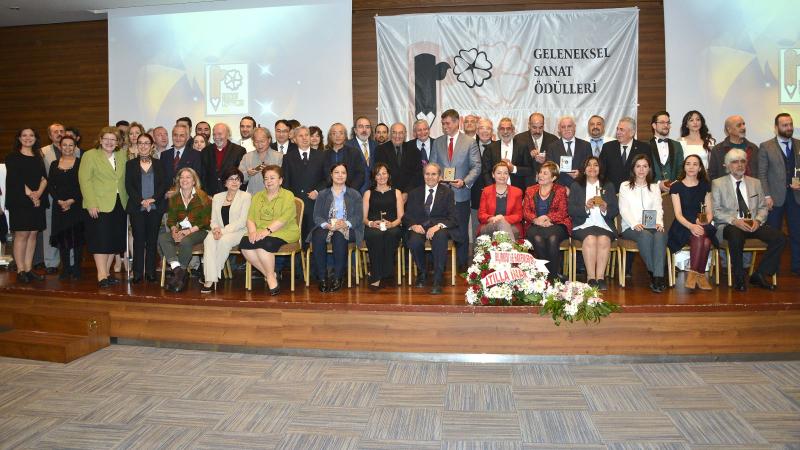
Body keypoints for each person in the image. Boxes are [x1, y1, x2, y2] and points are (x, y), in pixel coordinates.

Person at [712, 149, 786, 291]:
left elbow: (763, 207)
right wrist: (735, 221)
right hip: (730, 225)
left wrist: (758, 221)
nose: (740, 165)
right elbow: (716, 211)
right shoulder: (718, 183)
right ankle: (739, 277)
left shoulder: (755, 183)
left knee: (780, 238)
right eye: (735, 162)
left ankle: (760, 274)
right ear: (728, 165)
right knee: (735, 235)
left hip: (752, 223)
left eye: (743, 161)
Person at [78, 126, 128, 288]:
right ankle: (101, 275)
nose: (109, 142)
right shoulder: (90, 155)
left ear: (118, 142)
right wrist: (91, 203)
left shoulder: (121, 155)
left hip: (119, 204)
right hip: (98, 205)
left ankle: (106, 273)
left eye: (113, 139)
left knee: (113, 240)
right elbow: (84, 181)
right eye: (106, 139)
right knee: (100, 241)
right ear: (100, 140)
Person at [431, 109, 481, 270]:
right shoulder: (437, 142)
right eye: (443, 124)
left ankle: (462, 264)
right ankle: (440, 264)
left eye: (447, 123)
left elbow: (476, 167)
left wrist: (464, 182)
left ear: (457, 122)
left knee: (461, 230)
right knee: (440, 229)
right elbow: (432, 165)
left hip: (461, 194)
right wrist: (436, 176)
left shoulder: (469, 142)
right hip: (441, 195)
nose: (444, 126)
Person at [238, 165, 297, 295]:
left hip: (284, 230)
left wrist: (266, 231)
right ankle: (271, 274)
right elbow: (250, 218)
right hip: (260, 231)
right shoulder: (257, 196)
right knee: (245, 244)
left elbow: (284, 218)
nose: (268, 181)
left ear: (280, 180)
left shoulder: (288, 195)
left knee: (263, 245)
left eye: (272, 178)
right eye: (266, 178)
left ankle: (270, 278)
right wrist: (252, 232)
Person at [403, 163, 458, 294]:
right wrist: (414, 225)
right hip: (420, 227)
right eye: (427, 174)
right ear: (423, 176)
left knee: (440, 237)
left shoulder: (448, 193)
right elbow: (407, 216)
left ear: (439, 177)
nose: (430, 177)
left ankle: (438, 278)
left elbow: (453, 218)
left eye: (434, 174)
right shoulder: (414, 193)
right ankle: (422, 272)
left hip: (439, 227)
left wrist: (438, 226)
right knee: (414, 241)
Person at [308, 163, 364, 292]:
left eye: (343, 172)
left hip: (349, 228)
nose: (340, 175)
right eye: (336, 172)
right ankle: (322, 278)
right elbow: (317, 216)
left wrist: (345, 224)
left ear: (347, 175)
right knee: (317, 235)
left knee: (339, 235)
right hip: (327, 226)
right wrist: (326, 225)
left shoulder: (355, 194)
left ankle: (338, 277)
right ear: (331, 175)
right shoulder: (323, 194)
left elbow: (358, 216)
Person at [759, 113, 800, 277]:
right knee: (774, 234)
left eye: (790, 124)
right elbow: (762, 174)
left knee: (797, 233)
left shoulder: (798, 144)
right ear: (776, 128)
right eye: (785, 125)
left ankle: (797, 266)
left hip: (796, 196)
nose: (789, 128)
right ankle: (772, 269)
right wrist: (766, 196)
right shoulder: (766, 146)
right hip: (774, 198)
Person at [618, 154, 668, 292]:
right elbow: (624, 209)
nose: (641, 169)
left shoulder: (654, 187)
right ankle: (656, 274)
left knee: (660, 235)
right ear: (633, 168)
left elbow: (658, 208)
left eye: (645, 166)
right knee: (645, 235)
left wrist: (659, 223)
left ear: (649, 169)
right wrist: (634, 223)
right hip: (631, 227)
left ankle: (657, 277)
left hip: (652, 225)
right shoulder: (625, 186)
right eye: (638, 166)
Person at [568, 156, 619, 290]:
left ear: (600, 168)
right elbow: (571, 210)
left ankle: (600, 278)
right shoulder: (576, 186)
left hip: (604, 224)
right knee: (590, 239)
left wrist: (605, 208)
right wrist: (585, 207)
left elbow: (615, 210)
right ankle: (591, 278)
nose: (592, 168)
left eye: (595, 165)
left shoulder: (608, 185)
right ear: (584, 169)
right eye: (588, 165)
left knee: (604, 239)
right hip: (583, 225)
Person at [5, 128, 48, 283]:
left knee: (33, 234)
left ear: (36, 138)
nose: (28, 138)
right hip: (20, 200)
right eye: (24, 135)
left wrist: (38, 194)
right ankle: (20, 270)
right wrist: (32, 195)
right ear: (19, 138)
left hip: (37, 200)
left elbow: (44, 178)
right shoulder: (12, 157)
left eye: (31, 135)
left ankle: (29, 269)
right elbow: (15, 180)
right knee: (22, 234)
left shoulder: (38, 157)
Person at [158, 167, 211, 292]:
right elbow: (171, 219)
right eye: (181, 177)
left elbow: (206, 221)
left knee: (186, 241)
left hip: (200, 230)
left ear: (194, 181)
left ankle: (179, 275)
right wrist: (174, 230)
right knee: (163, 238)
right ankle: (179, 272)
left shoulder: (202, 196)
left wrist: (189, 231)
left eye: (188, 177)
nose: (184, 180)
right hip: (182, 230)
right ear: (178, 181)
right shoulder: (175, 197)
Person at [668, 154, 717, 290]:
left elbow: (709, 212)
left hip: (702, 224)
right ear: (684, 167)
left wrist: (705, 222)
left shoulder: (705, 186)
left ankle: (694, 274)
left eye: (695, 164)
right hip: (682, 225)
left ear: (700, 168)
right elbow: (678, 214)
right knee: (704, 239)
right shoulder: (676, 187)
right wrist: (691, 226)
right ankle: (699, 275)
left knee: (703, 237)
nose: (691, 167)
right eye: (688, 164)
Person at [125, 132, 167, 284]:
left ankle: (150, 272)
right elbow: (128, 186)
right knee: (138, 240)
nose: (143, 146)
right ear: (137, 146)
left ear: (152, 146)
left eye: (146, 143)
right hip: (137, 207)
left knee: (152, 240)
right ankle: (137, 273)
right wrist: (142, 201)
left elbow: (164, 184)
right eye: (140, 143)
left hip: (155, 207)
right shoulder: (130, 164)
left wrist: (153, 199)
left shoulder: (159, 163)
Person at [202, 168, 252, 293]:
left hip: (239, 231)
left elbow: (242, 221)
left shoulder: (246, 196)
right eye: (231, 179)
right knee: (208, 240)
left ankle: (210, 278)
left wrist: (222, 231)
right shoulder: (217, 197)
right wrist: (215, 229)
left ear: (241, 182)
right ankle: (211, 277)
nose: (234, 182)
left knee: (224, 241)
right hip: (218, 230)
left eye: (237, 179)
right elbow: (213, 219)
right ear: (225, 182)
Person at [523, 161, 572, 281]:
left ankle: (550, 276)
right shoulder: (530, 190)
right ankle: (551, 275)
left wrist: (548, 218)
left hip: (557, 224)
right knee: (537, 238)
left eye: (545, 173)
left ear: (553, 178)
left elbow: (563, 212)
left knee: (552, 238)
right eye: (540, 172)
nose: (540, 175)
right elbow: (526, 212)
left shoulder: (560, 190)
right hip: (535, 225)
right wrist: (536, 220)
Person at [47, 135, 85, 280]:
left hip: (76, 205)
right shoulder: (54, 164)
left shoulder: (81, 163)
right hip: (59, 206)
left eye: (71, 145)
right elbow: (51, 185)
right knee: (62, 238)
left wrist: (71, 201)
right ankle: (65, 268)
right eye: (65, 145)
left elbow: (84, 184)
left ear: (75, 147)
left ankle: (77, 268)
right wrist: (59, 201)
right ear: (60, 146)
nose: (67, 148)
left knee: (77, 238)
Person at [282, 126, 328, 243]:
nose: (304, 138)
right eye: (300, 136)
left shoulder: (321, 155)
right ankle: (300, 256)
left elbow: (327, 178)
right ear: (294, 139)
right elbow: (285, 183)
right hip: (296, 203)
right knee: (299, 238)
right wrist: (291, 199)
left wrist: (317, 191)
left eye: (307, 135)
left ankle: (313, 256)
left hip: (315, 203)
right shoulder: (288, 158)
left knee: (314, 238)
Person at [362, 162, 404, 290]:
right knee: (375, 235)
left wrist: (392, 224)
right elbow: (363, 218)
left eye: (384, 173)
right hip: (373, 226)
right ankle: (377, 276)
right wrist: (371, 223)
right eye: (378, 174)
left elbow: (401, 217)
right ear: (374, 177)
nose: (381, 177)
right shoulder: (368, 193)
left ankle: (384, 272)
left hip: (393, 225)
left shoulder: (397, 192)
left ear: (388, 175)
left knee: (391, 234)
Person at [39, 122, 66, 274]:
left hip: (70, 197)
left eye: (62, 131)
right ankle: (51, 262)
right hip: (50, 196)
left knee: (70, 228)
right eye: (56, 132)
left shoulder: (74, 150)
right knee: (49, 229)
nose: (59, 134)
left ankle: (70, 261)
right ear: (50, 135)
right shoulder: (42, 152)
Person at [599, 116, 652, 191]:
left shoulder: (644, 148)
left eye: (621, 130)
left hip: (635, 192)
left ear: (632, 133)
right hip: (612, 193)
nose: (618, 132)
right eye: (617, 129)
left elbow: (650, 172)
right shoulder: (607, 147)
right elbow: (601, 172)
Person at [485, 117, 534, 191]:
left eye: (508, 129)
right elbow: (486, 172)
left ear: (513, 131)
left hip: (517, 190)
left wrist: (513, 169)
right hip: (495, 190)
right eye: (502, 129)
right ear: (498, 131)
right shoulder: (491, 148)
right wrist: (492, 188)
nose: (505, 132)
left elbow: (529, 170)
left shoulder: (522, 146)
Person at [478, 162, 523, 238]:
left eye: (505, 173)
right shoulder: (486, 191)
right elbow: (481, 214)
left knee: (502, 226)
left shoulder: (517, 192)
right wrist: (493, 218)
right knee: (501, 224)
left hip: (511, 225)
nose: (502, 176)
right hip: (489, 225)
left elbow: (519, 215)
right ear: (493, 175)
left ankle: (505, 245)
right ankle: (510, 245)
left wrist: (503, 219)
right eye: (499, 173)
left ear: (508, 175)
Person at [544, 115, 592, 187]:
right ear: (559, 129)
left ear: (574, 127)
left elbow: (590, 167)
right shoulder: (552, 147)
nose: (566, 129)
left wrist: (580, 174)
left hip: (580, 187)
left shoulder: (586, 145)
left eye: (569, 126)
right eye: (563, 127)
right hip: (559, 188)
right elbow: (550, 169)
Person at [708, 115, 759, 180]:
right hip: (726, 186)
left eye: (743, 124)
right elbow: (712, 174)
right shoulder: (718, 150)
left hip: (750, 185)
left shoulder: (753, 148)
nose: (743, 127)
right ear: (729, 129)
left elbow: (759, 172)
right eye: (739, 125)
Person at [374, 122, 420, 194]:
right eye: (394, 132)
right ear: (390, 134)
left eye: (401, 133)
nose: (397, 136)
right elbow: (379, 174)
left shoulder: (413, 150)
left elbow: (417, 174)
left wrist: (406, 193)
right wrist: (394, 193)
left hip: (409, 194)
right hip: (388, 193)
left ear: (405, 134)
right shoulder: (380, 150)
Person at [201, 123, 246, 195]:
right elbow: (203, 176)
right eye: (214, 134)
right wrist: (205, 194)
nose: (216, 137)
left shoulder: (239, 151)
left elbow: (242, 176)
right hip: (210, 196)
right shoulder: (205, 151)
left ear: (228, 135)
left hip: (232, 195)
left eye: (219, 134)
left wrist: (237, 195)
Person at [161, 124, 202, 199]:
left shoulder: (196, 155)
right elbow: (161, 179)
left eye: (181, 135)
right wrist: (164, 193)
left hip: (187, 199)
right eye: (175, 135)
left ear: (187, 138)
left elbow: (197, 179)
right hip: (167, 199)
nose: (178, 138)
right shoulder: (164, 155)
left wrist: (178, 193)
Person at [648, 111, 684, 192]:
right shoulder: (646, 146)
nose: (666, 125)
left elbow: (681, 169)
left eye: (668, 123)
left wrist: (675, 184)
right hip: (652, 192)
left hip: (674, 192)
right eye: (662, 122)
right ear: (654, 125)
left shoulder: (677, 145)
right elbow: (643, 171)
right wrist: (657, 185)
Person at [240, 127, 282, 194]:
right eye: (256, 142)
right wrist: (248, 174)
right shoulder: (247, 157)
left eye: (262, 141)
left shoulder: (279, 157)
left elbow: (283, 178)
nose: (259, 145)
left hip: (274, 197)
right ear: (253, 142)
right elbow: (239, 178)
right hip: (253, 197)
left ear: (269, 140)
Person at [324, 123, 365, 190]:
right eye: (334, 133)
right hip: (329, 192)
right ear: (330, 136)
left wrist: (349, 191)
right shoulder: (324, 155)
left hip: (350, 192)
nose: (338, 136)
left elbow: (360, 175)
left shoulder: (354, 153)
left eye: (341, 133)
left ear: (345, 136)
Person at [348, 116, 377, 193]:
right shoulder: (347, 146)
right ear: (355, 130)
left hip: (374, 191)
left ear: (370, 130)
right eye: (361, 127)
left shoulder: (376, 146)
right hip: (355, 191)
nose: (364, 130)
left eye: (367, 127)